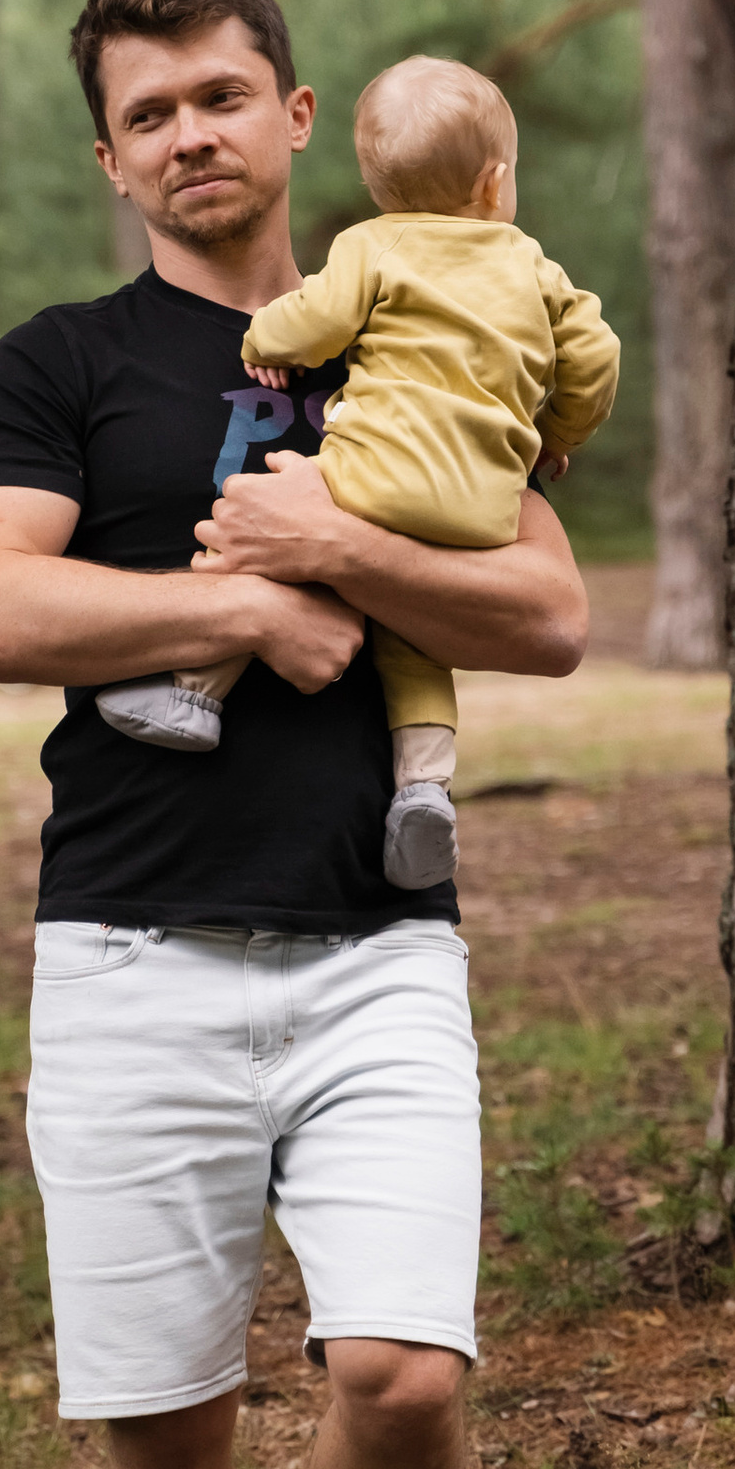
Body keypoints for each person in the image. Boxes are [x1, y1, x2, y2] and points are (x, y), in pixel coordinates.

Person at [0, 0, 588, 1469]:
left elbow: (549, 608)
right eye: (149, 110)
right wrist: (239, 620)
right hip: (121, 956)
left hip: (377, 951)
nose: (191, 131)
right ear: (111, 157)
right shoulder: (61, 367)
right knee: (164, 1424)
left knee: (401, 1379)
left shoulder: (430, 303)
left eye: (223, 91)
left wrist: (330, 568)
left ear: (298, 118)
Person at [92, 53, 619, 898]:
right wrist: (556, 434)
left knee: (267, 532)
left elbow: (317, 321)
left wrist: (263, 341)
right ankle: (423, 786)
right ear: (495, 183)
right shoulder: (534, 269)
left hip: (372, 477)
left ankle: (193, 694)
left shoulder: (373, 246)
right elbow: (596, 356)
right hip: (481, 504)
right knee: (410, 637)